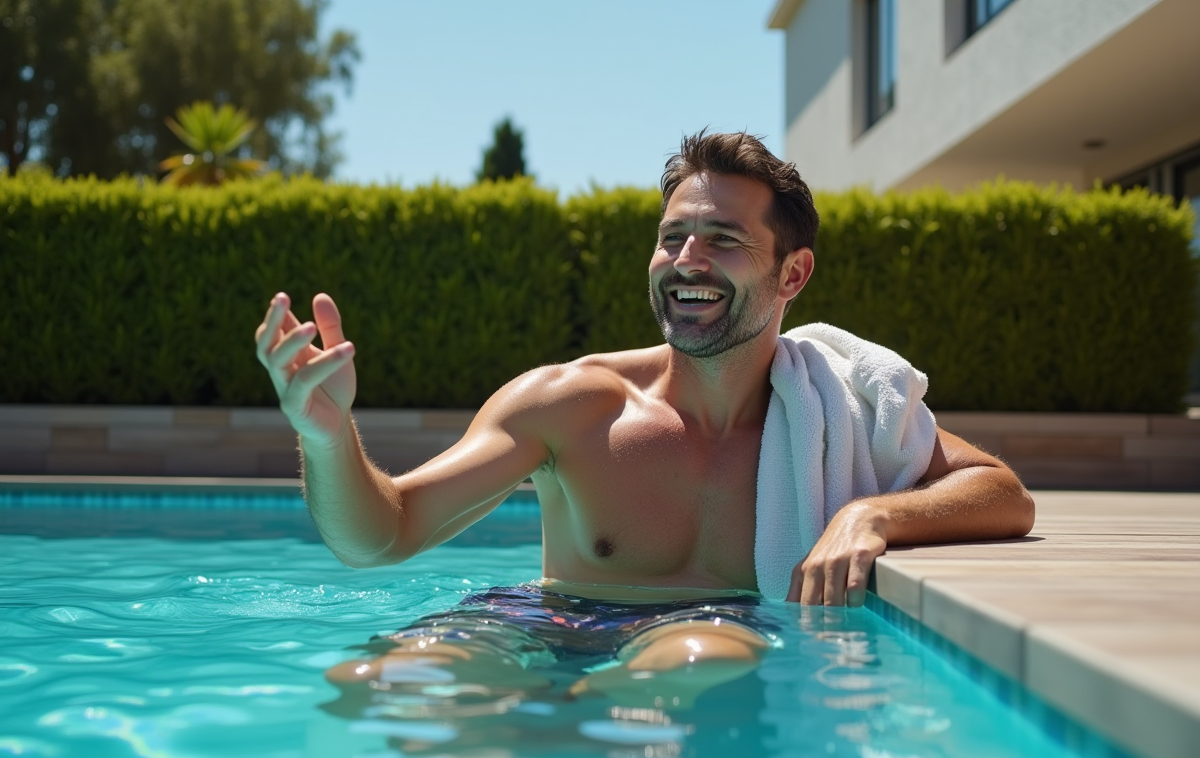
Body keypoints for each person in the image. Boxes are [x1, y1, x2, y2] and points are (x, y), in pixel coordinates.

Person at [254, 131, 1034, 704]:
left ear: (792, 273)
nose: (687, 258)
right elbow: (382, 535)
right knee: (369, 682)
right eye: (671, 238)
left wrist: (873, 514)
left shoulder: (835, 405)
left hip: (711, 627)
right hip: (546, 616)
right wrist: (325, 435)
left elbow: (1000, 492)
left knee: (694, 662)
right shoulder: (570, 403)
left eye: (722, 239)